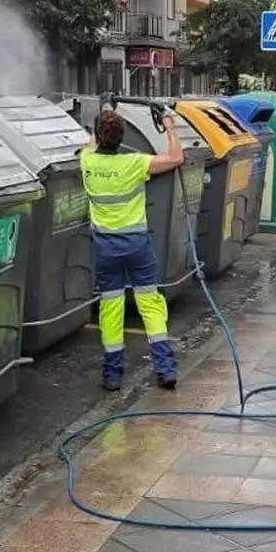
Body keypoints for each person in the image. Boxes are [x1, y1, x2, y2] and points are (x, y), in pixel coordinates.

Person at [80, 106, 185, 391]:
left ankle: (112, 374)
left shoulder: (87, 162)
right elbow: (176, 158)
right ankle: (165, 369)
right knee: (150, 304)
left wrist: (103, 112)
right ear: (121, 137)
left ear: (98, 137)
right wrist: (168, 124)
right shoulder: (135, 163)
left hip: (106, 250)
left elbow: (91, 144)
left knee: (111, 308)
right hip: (137, 246)